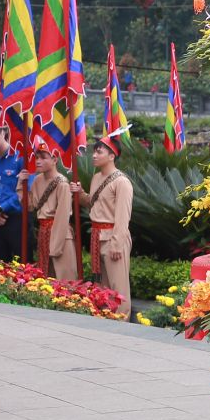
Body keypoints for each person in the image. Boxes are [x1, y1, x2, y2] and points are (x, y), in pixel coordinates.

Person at [71, 133, 133, 316]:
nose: (94, 155)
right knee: (102, 285)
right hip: (97, 236)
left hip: (113, 237)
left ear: (112, 156)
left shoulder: (122, 182)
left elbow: (123, 216)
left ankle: (122, 321)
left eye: (99, 152)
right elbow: (93, 203)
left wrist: (117, 243)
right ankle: (105, 319)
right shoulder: (97, 177)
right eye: (94, 152)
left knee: (118, 286)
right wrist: (80, 194)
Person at [18, 145, 75, 281]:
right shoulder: (37, 180)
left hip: (60, 235)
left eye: (43, 158)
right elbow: (30, 206)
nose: (38, 161)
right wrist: (21, 184)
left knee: (64, 279)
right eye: (37, 157)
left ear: (55, 160)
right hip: (44, 232)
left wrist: (55, 246)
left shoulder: (62, 184)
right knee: (45, 278)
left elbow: (62, 217)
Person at [0, 126, 25, 262]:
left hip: (17, 219)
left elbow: (25, 191)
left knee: (23, 266)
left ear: (4, 132)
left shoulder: (20, 157)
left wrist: (0, 209)